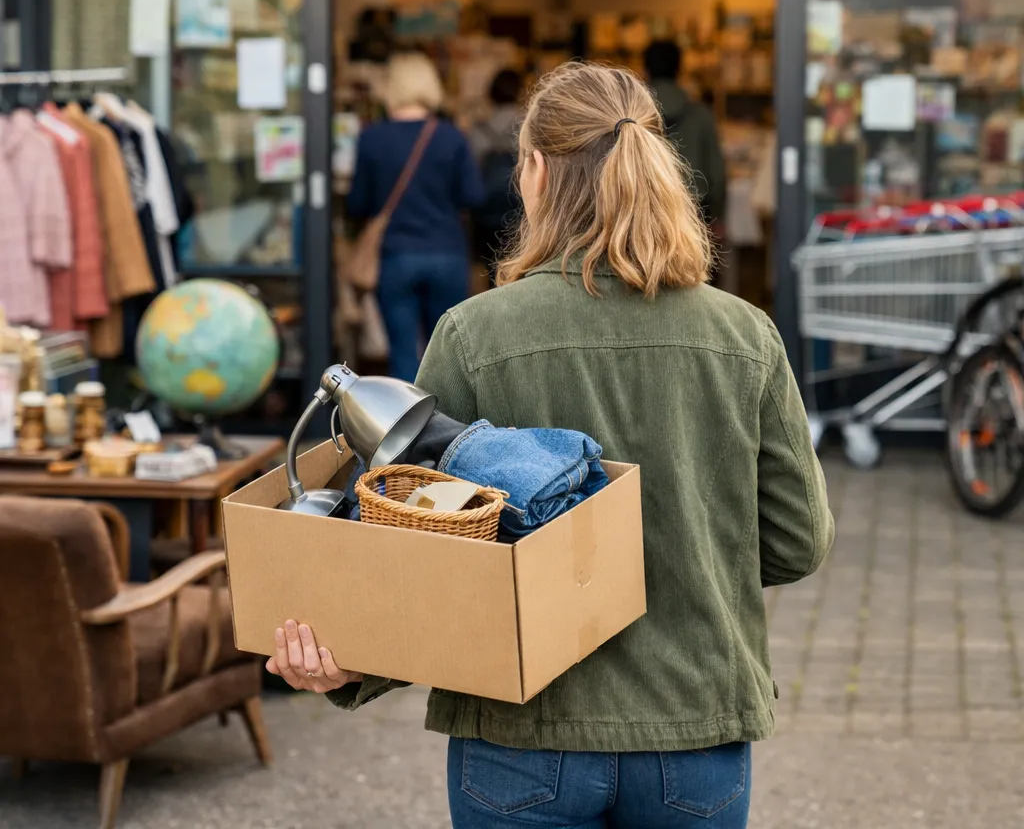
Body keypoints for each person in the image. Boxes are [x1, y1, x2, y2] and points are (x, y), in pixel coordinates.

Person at [271, 62, 833, 828]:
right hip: (695, 727)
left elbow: (416, 550)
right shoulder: (746, 335)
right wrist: (698, 554)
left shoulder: (475, 335)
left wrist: (345, 667)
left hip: (519, 734)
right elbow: (797, 543)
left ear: (535, 170)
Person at [346, 52, 483, 382]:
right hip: (446, 254)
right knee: (450, 354)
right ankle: (450, 429)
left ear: (391, 88)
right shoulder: (451, 136)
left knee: (403, 353)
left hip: (395, 257)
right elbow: (473, 195)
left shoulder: (371, 138)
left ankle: (407, 430)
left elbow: (357, 203)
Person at [644, 38, 726, 239]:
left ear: (645, 69)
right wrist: (718, 215)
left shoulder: (633, 115)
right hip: (693, 213)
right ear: (680, 69)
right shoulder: (701, 114)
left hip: (645, 212)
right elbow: (717, 173)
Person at [469, 68, 524, 284]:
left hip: (486, 211)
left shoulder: (478, 130)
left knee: (491, 270)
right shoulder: (528, 126)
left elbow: (472, 172)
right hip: (520, 209)